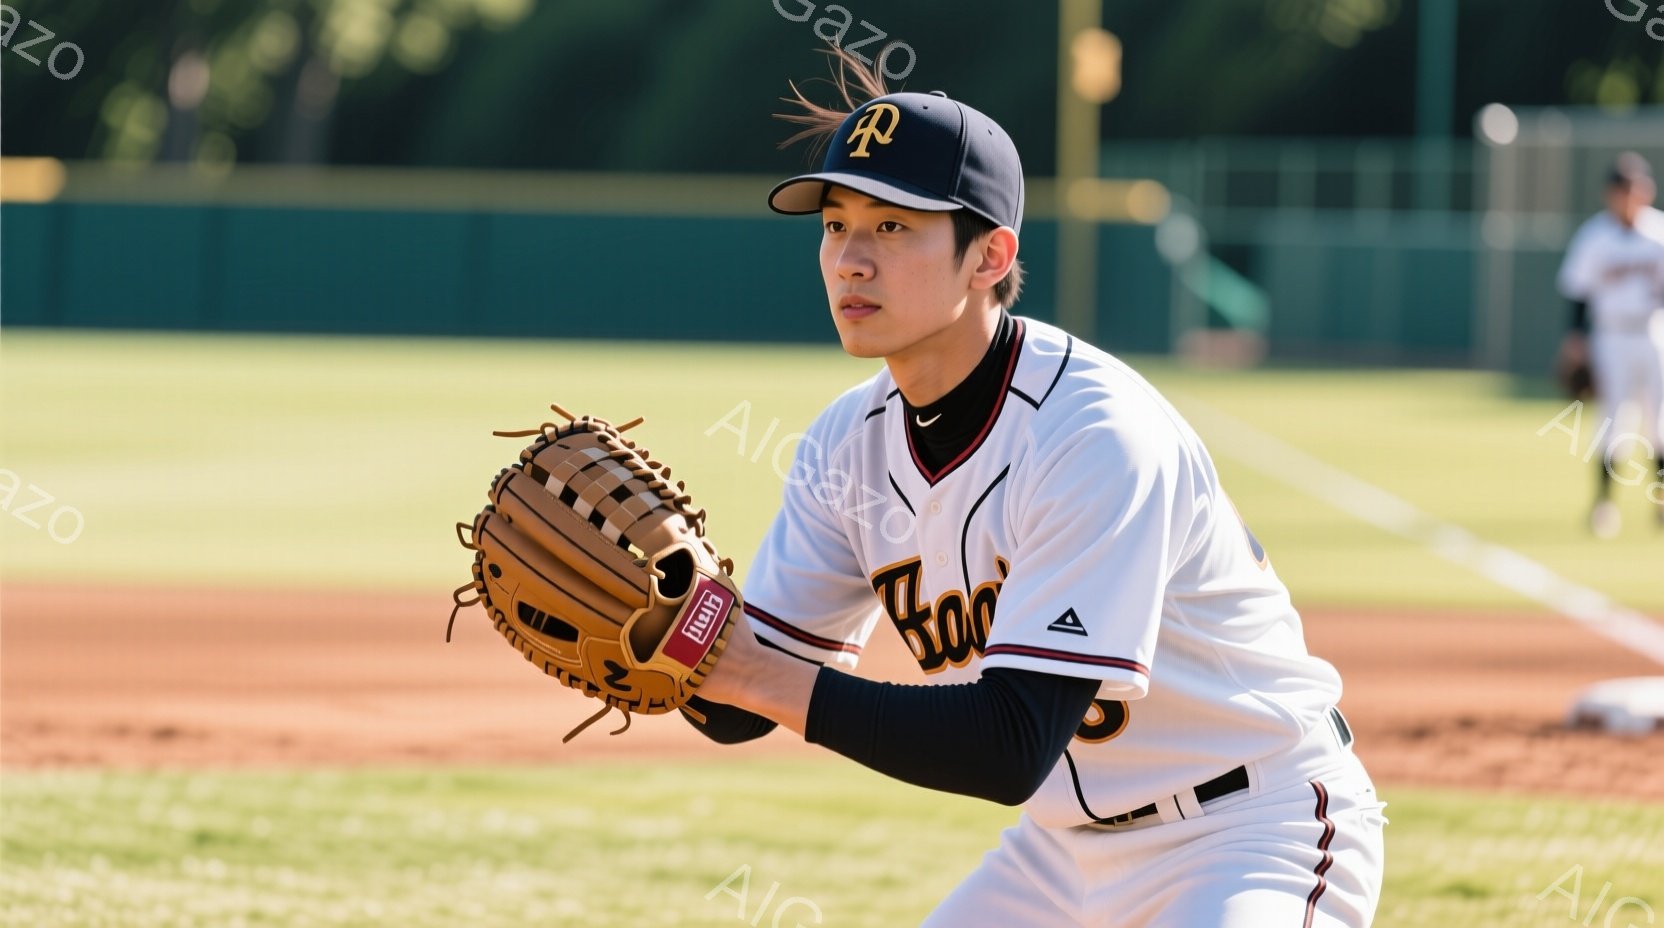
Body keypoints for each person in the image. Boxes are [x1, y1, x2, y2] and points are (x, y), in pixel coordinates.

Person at [689, 51, 1384, 927]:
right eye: (834, 225)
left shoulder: (1094, 434)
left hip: (1249, 830)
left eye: (894, 226)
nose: (850, 261)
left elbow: (1007, 747)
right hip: (1059, 856)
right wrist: (664, 635)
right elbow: (739, 711)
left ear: (991, 255)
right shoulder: (844, 444)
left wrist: (748, 673)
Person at [1555, 152, 1664, 538]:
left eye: (1637, 187)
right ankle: (1603, 506)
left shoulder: (1659, 231)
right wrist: (1575, 340)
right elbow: (1577, 292)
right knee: (1612, 422)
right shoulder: (1595, 236)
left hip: (1654, 331)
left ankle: (1661, 504)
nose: (1632, 195)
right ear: (1610, 194)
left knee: (1660, 424)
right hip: (1611, 335)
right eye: (1624, 188)